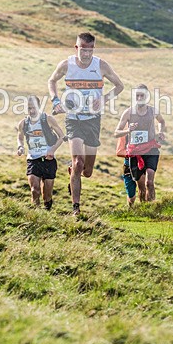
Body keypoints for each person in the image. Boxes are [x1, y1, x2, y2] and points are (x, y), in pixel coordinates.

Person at [49, 32, 123, 215]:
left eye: (90, 50)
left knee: (87, 170)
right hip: (73, 120)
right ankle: (76, 208)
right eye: (83, 49)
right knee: (78, 161)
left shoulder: (101, 65)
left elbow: (119, 86)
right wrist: (56, 101)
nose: (87, 53)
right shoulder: (67, 65)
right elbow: (51, 81)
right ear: (76, 48)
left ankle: (74, 172)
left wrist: (104, 100)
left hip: (93, 120)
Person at [114, 84, 166, 203]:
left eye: (142, 95)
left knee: (149, 182)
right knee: (141, 187)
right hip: (135, 152)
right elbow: (116, 133)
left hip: (151, 149)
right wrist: (128, 130)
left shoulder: (153, 111)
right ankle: (144, 211)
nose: (139, 98)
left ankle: (152, 209)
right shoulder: (128, 113)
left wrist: (160, 131)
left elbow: (161, 121)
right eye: (137, 95)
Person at [16, 95, 65, 210]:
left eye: (34, 108)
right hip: (33, 159)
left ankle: (47, 211)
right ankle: (36, 216)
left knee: (47, 195)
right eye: (29, 108)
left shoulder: (47, 119)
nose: (32, 111)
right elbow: (20, 137)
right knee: (34, 190)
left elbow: (62, 136)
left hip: (48, 160)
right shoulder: (23, 123)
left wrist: (52, 150)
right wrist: (20, 147)